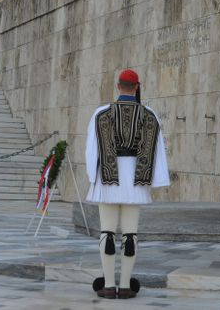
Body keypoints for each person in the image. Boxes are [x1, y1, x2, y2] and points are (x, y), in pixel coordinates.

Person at [85, 69, 170, 299]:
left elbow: (92, 149)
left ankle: (109, 285)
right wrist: (156, 180)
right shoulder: (150, 115)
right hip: (137, 180)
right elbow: (157, 151)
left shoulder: (101, 113)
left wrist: (92, 178)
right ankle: (125, 286)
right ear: (137, 87)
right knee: (130, 235)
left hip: (108, 178)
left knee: (107, 233)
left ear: (118, 86)